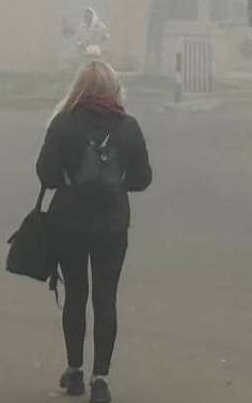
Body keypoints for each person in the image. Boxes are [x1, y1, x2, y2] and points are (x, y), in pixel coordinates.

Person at [36, 61, 152, 403]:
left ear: (79, 88)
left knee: (75, 295)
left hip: (69, 223)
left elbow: (46, 174)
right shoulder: (128, 127)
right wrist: (113, 185)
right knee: (106, 299)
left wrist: (74, 184)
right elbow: (143, 179)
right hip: (112, 226)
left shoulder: (63, 124)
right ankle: (100, 380)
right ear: (114, 88)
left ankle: (74, 372)